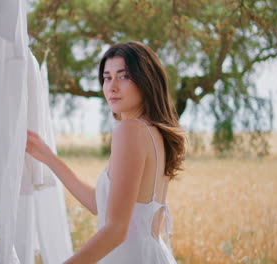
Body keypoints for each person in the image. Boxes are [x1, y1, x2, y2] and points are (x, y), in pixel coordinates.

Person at [26, 41, 186, 264]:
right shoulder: (153, 132)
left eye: (123, 76)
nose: (112, 87)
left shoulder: (130, 131)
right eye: (107, 77)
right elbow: (98, 205)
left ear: (146, 80)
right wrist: (48, 157)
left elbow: (116, 229)